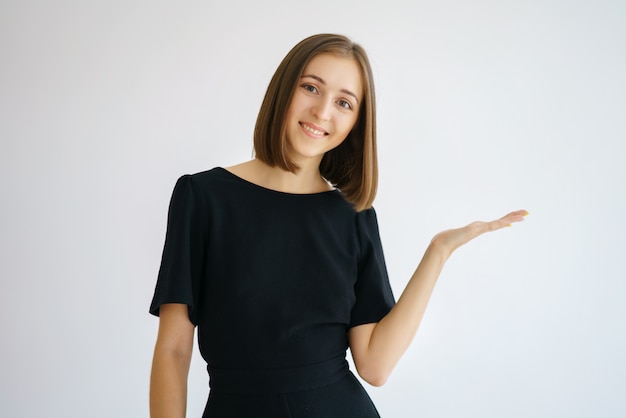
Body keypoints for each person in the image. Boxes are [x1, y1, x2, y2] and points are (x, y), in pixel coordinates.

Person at [148, 33, 527, 418]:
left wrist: (439, 252)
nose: (322, 111)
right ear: (284, 88)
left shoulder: (355, 218)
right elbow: (174, 350)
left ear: (354, 124)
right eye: (311, 87)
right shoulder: (203, 197)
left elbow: (375, 367)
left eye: (344, 102)